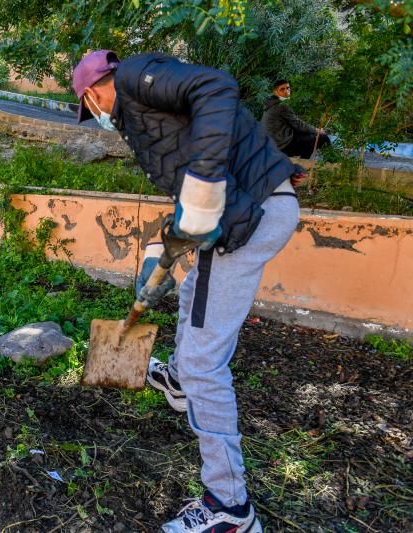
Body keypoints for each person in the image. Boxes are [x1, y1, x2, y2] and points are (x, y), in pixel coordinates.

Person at [73, 50, 306, 533]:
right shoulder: (143, 119)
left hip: (254, 213)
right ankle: (179, 379)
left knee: (206, 361)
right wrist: (161, 245)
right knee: (193, 292)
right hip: (244, 213)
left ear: (92, 92)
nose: (93, 112)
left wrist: (203, 186)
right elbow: (187, 192)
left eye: (87, 105)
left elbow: (217, 88)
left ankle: (230, 508)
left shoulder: (137, 79)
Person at [261, 79, 330, 159]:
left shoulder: (270, 103)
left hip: (272, 144)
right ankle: (333, 163)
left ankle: (303, 163)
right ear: (275, 92)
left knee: (308, 136)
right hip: (281, 146)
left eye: (287, 88)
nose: (286, 91)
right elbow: (299, 125)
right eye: (282, 89)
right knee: (322, 137)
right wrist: (318, 130)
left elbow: (296, 125)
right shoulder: (281, 105)